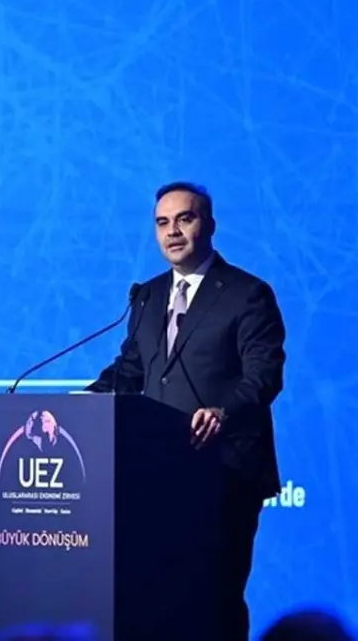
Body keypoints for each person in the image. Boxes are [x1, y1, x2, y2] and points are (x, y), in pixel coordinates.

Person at [87, 181, 287, 641]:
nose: (172, 232)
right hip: (157, 475)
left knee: (214, 599)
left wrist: (222, 412)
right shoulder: (148, 295)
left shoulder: (247, 293)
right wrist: (82, 403)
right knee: (158, 600)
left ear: (209, 225)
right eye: (162, 223)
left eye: (184, 219)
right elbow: (130, 371)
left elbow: (264, 376)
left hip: (224, 472)